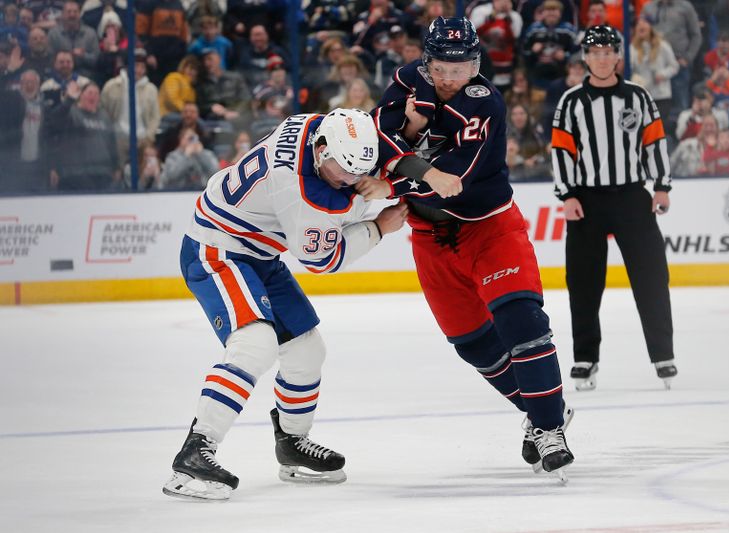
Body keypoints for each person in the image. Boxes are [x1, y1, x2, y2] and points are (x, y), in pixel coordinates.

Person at [356, 16, 574, 478]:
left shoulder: (485, 103)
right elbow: (376, 137)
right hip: (429, 239)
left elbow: (449, 183)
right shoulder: (405, 79)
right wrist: (410, 149)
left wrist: (397, 172)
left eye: (463, 67)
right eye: (444, 67)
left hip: (489, 229)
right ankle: (541, 411)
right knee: (474, 346)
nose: (454, 77)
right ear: (426, 60)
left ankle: (550, 426)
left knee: (521, 321)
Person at [162, 108, 408, 500]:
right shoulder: (303, 192)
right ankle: (195, 452)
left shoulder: (314, 125)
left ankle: (292, 443)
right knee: (255, 344)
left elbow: (362, 154)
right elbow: (324, 260)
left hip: (257, 248)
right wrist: (379, 225)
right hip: (217, 248)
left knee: (308, 349)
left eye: (360, 170)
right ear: (322, 150)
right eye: (344, 171)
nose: (353, 180)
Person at [550, 25, 677, 391]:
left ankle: (663, 355)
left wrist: (661, 186)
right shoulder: (571, 102)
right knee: (583, 283)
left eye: (608, 51)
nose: (602, 58)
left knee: (651, 276)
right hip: (586, 200)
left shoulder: (638, 97)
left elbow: (655, 142)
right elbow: (561, 151)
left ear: (618, 56)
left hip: (632, 197)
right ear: (585, 58)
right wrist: (567, 195)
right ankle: (585, 358)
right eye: (595, 52)